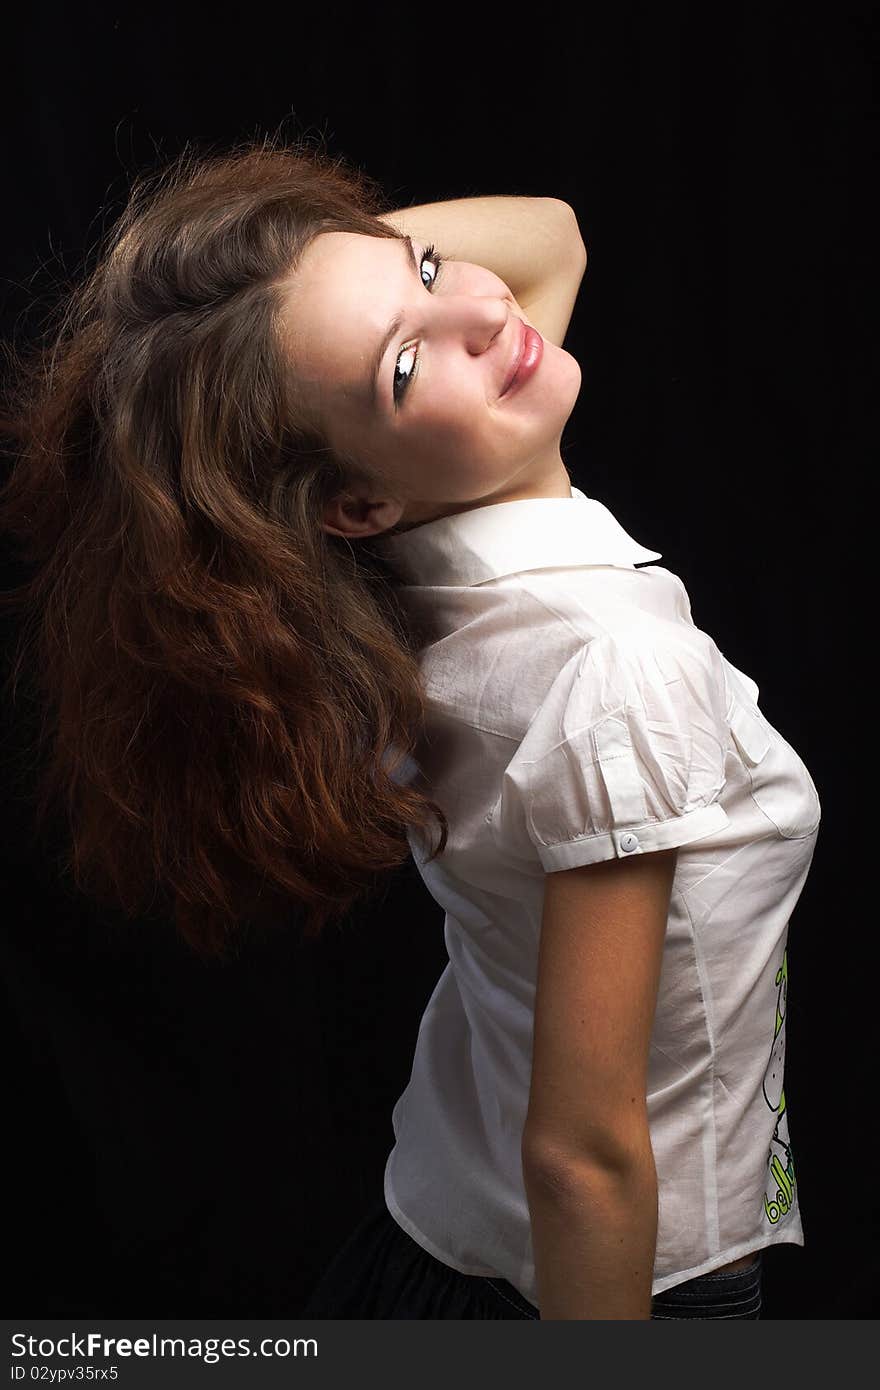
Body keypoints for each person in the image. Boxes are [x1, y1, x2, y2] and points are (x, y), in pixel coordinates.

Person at [0, 133, 819, 1318]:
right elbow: (583, 1158)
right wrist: (325, 304)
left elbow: (549, 234)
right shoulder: (614, 663)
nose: (487, 320)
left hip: (428, 1235)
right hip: (605, 1284)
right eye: (399, 369)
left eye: (430, 269)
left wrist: (247, 319)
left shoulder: (390, 578)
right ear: (356, 501)